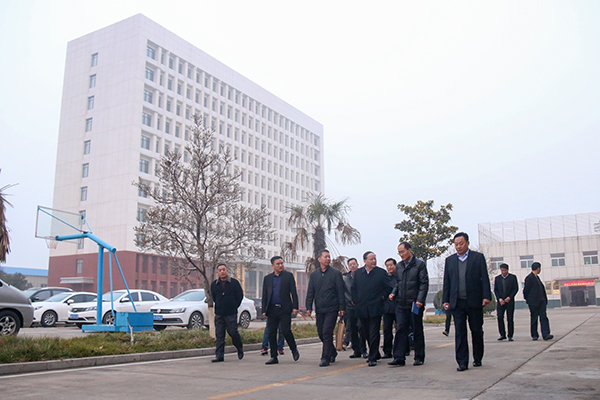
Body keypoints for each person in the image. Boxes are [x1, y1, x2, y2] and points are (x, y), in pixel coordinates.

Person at [442, 232, 491, 372]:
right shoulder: (450, 260)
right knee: (460, 333)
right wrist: (446, 300)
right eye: (456, 244)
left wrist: (486, 296)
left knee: (476, 330)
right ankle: (462, 362)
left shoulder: (478, 258)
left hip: (474, 301)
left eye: (461, 243)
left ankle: (477, 357)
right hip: (457, 302)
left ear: (467, 243)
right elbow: (447, 282)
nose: (458, 246)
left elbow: (485, 278)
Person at [389, 242, 429, 366]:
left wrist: (420, 300)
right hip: (401, 303)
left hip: (415, 304)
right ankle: (399, 357)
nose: (401, 255)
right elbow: (397, 283)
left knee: (416, 329)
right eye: (399, 252)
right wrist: (393, 293)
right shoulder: (399, 266)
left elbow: (423, 284)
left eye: (403, 252)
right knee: (400, 329)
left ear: (409, 250)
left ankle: (419, 356)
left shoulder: (419, 264)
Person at [351, 251, 393, 366]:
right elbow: (353, 288)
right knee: (366, 332)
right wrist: (355, 300)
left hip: (376, 307)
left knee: (374, 332)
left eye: (375, 259)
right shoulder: (358, 273)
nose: (374, 261)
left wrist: (382, 297)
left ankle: (372, 357)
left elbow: (388, 287)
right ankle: (375, 352)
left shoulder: (381, 273)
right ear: (365, 261)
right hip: (362, 308)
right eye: (371, 259)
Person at [306, 249, 346, 367]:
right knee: (321, 333)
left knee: (327, 332)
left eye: (329, 257)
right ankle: (332, 351)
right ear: (319, 259)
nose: (328, 259)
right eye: (325, 257)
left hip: (332, 309)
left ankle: (325, 357)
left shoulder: (335, 274)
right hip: (319, 308)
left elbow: (340, 291)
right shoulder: (314, 275)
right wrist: (309, 306)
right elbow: (310, 291)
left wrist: (342, 307)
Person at [262, 256, 301, 364]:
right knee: (271, 333)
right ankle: (274, 356)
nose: (280, 265)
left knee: (285, 331)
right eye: (278, 264)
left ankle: (294, 349)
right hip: (272, 309)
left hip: (284, 309)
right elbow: (265, 295)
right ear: (273, 266)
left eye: (281, 263)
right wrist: (264, 310)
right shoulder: (268, 278)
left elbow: (293, 292)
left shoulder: (288, 276)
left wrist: (295, 307)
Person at [209, 264, 244, 363]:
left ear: (227, 270)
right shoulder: (214, 285)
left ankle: (239, 347)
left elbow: (240, 296)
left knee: (233, 332)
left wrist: (234, 306)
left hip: (231, 313)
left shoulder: (234, 283)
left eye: (224, 269)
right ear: (217, 272)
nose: (222, 272)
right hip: (219, 313)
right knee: (219, 335)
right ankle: (219, 355)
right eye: (220, 270)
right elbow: (214, 297)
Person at [343, 257, 367, 358]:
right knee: (352, 328)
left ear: (357, 265)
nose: (353, 266)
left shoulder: (363, 275)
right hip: (350, 306)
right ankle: (356, 350)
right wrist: (351, 300)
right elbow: (344, 291)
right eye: (350, 264)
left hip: (361, 306)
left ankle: (363, 349)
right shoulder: (346, 278)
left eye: (354, 264)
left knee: (362, 328)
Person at [523, 262, 553, 341]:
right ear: (538, 268)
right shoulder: (529, 278)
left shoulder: (537, 278)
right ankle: (534, 335)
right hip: (533, 302)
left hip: (541, 301)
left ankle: (546, 334)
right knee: (534, 318)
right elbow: (526, 290)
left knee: (543, 317)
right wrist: (527, 299)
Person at [494, 263, 519, 341]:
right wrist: (499, 299)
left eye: (504, 270)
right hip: (501, 302)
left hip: (509, 301)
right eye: (502, 270)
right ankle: (502, 334)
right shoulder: (497, 278)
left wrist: (510, 297)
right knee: (500, 317)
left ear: (507, 270)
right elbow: (496, 290)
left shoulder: (512, 277)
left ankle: (510, 335)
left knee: (510, 318)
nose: (503, 272)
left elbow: (515, 289)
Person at [382, 258, 399, 359]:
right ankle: (387, 351)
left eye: (391, 265)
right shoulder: (384, 278)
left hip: (398, 306)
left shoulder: (399, 277)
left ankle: (401, 349)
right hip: (387, 307)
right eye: (387, 266)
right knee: (387, 329)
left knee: (400, 329)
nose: (389, 267)